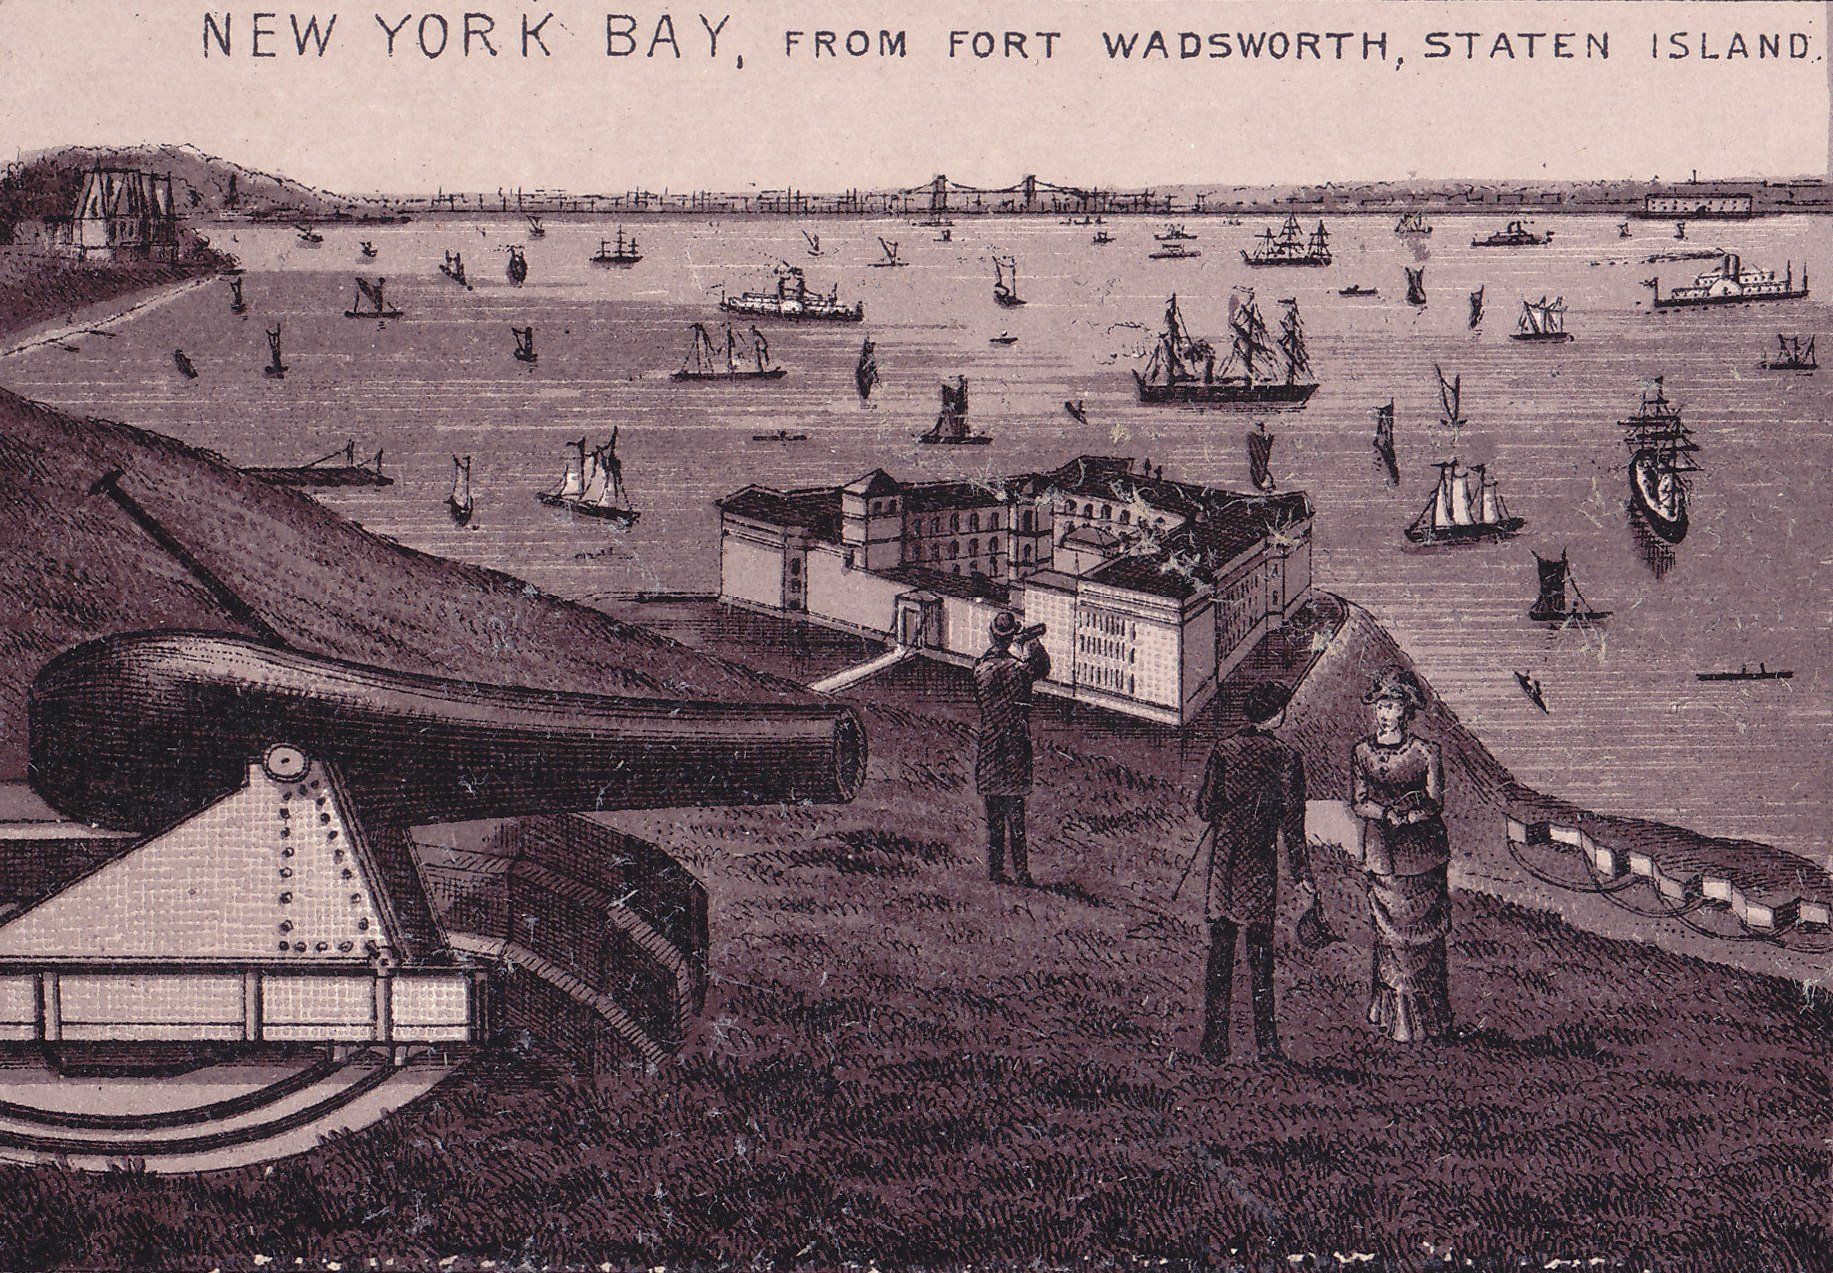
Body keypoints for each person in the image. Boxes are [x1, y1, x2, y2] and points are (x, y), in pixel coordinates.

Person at [1193, 682, 1314, 1062]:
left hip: (1225, 861)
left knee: (1220, 954)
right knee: (1261, 955)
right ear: (1275, 715)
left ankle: (1215, 1044)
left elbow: (1205, 806)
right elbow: (1293, 824)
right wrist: (1302, 873)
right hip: (1258, 864)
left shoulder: (1224, 749)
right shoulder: (1287, 757)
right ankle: (1267, 1044)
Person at [1350, 668, 1454, 1044]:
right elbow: (1359, 802)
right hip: (1382, 854)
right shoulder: (1361, 752)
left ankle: (1428, 1019)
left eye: (1390, 705)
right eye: (1379, 704)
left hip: (1421, 856)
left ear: (1405, 711)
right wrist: (1384, 814)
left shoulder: (1427, 752)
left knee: (1421, 939)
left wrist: (1410, 816)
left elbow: (1435, 801)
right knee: (1389, 938)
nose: (1382, 712)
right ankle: (1394, 1017)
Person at [973, 612, 1050, 885]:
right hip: (1015, 746)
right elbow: (1041, 667)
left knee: (994, 819)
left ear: (993, 635)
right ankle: (1022, 873)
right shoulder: (1018, 670)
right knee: (1016, 818)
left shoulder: (980, 668)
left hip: (990, 746)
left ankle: (995, 871)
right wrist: (1030, 642)